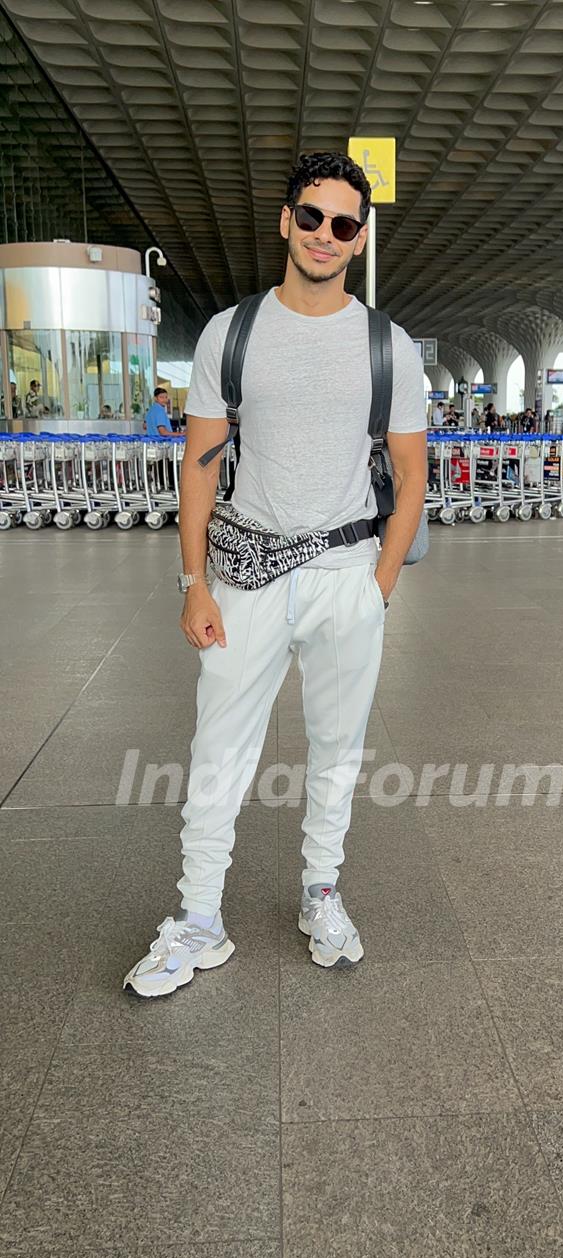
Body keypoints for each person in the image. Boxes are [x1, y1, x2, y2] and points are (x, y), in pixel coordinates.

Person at [124, 151, 427, 997]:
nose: (325, 235)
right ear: (284, 221)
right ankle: (198, 921)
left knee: (336, 752)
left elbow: (411, 476)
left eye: (343, 224)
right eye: (311, 216)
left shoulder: (386, 346)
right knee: (217, 751)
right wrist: (194, 583)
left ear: (359, 238)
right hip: (244, 571)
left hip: (345, 575)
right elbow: (201, 465)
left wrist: (380, 585)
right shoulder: (233, 331)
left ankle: (321, 893)